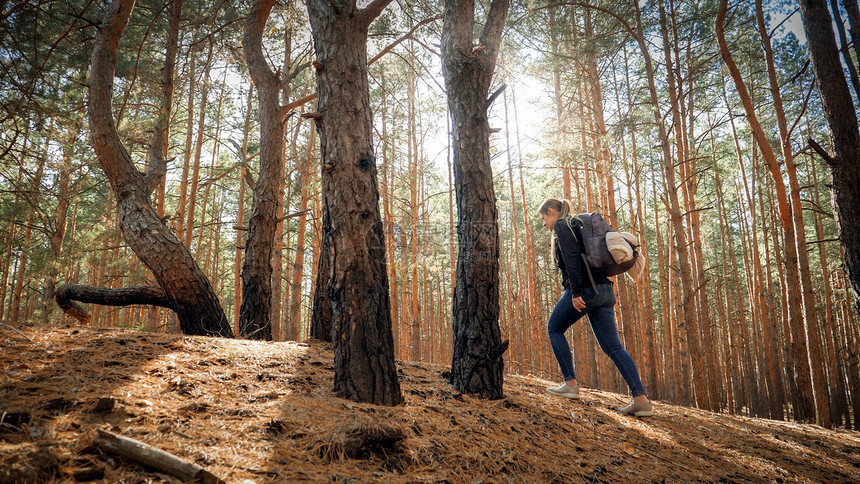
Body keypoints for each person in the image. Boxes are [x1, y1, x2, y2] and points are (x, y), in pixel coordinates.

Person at [538, 198, 654, 417]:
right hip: (605, 292)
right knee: (613, 347)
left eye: (544, 218)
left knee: (554, 328)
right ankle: (641, 400)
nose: (544, 224)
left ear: (552, 212)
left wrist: (576, 292)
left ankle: (570, 384)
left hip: (587, 291)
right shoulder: (579, 227)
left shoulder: (564, 225)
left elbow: (572, 259)